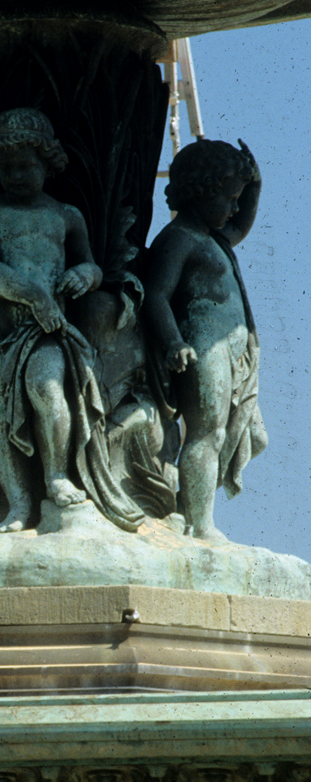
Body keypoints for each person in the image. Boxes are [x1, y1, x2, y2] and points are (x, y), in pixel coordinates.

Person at [0, 108, 143, 533]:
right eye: (6, 167)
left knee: (45, 389)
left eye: (26, 165)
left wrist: (86, 274)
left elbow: (90, 264)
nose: (16, 175)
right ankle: (19, 505)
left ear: (48, 163)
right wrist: (33, 294)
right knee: (0, 415)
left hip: (48, 326)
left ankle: (57, 477)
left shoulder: (66, 215)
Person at [144, 139, 267, 540]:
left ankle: (190, 504)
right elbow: (157, 294)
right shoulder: (178, 237)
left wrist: (254, 188)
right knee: (207, 432)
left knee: (249, 435)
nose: (234, 207)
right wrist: (174, 341)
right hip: (201, 346)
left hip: (237, 353)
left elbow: (239, 225)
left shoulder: (213, 237)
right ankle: (200, 524)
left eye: (237, 199)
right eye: (229, 198)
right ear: (201, 192)